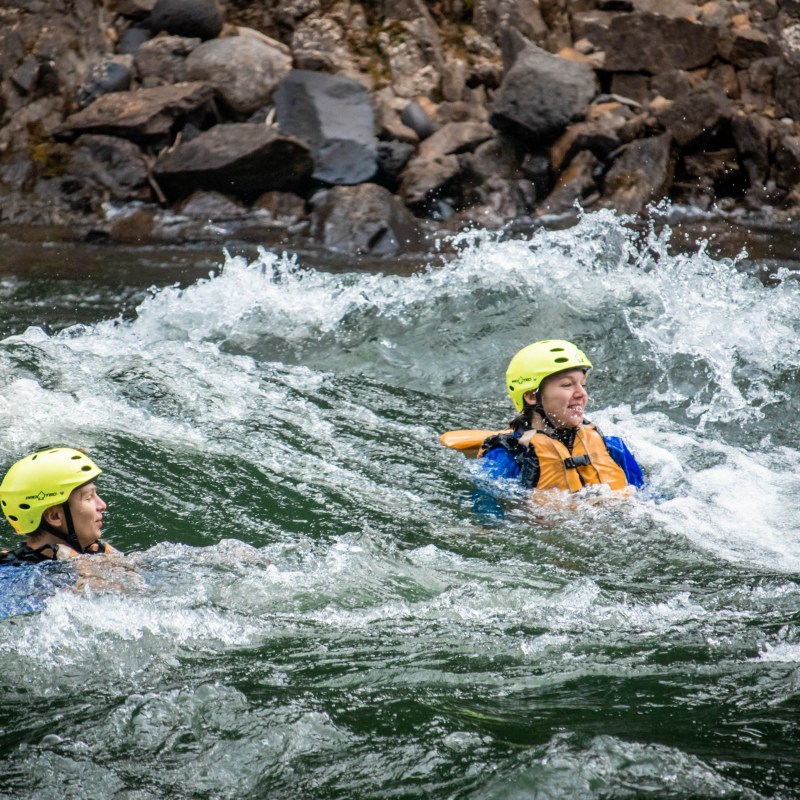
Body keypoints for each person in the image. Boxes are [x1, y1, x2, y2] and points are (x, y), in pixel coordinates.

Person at [478, 339, 644, 496]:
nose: (582, 394)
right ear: (531, 396)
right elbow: (488, 518)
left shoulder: (613, 448)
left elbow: (649, 499)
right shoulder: (507, 457)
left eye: (583, 384)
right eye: (567, 385)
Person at [0, 447, 119, 565]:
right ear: (55, 516)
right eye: (88, 497)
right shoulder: (12, 573)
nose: (102, 505)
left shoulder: (100, 553)